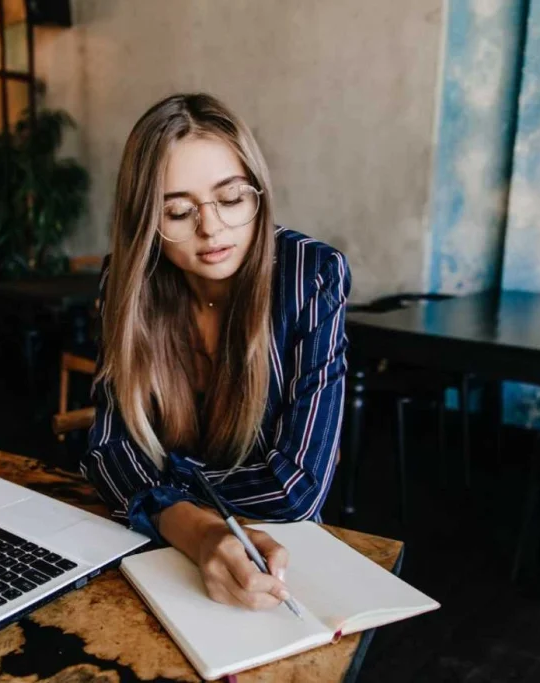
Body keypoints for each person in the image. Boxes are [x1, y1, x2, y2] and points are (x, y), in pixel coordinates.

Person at [82, 93, 350, 612]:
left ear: (259, 193)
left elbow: (296, 489)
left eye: (230, 199)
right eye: (178, 211)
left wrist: (160, 497)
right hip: (161, 551)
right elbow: (108, 451)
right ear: (145, 222)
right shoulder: (127, 280)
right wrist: (194, 529)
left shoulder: (310, 274)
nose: (211, 228)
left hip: (278, 561)